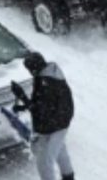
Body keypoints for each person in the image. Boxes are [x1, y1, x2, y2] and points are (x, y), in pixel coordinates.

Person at [15, 52, 75, 180]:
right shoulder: (50, 74)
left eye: (30, 69)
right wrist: (24, 105)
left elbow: (40, 110)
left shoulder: (45, 83)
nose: (30, 72)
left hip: (53, 125)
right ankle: (68, 177)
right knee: (60, 151)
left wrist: (22, 97)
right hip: (60, 121)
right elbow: (41, 104)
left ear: (34, 68)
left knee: (44, 162)